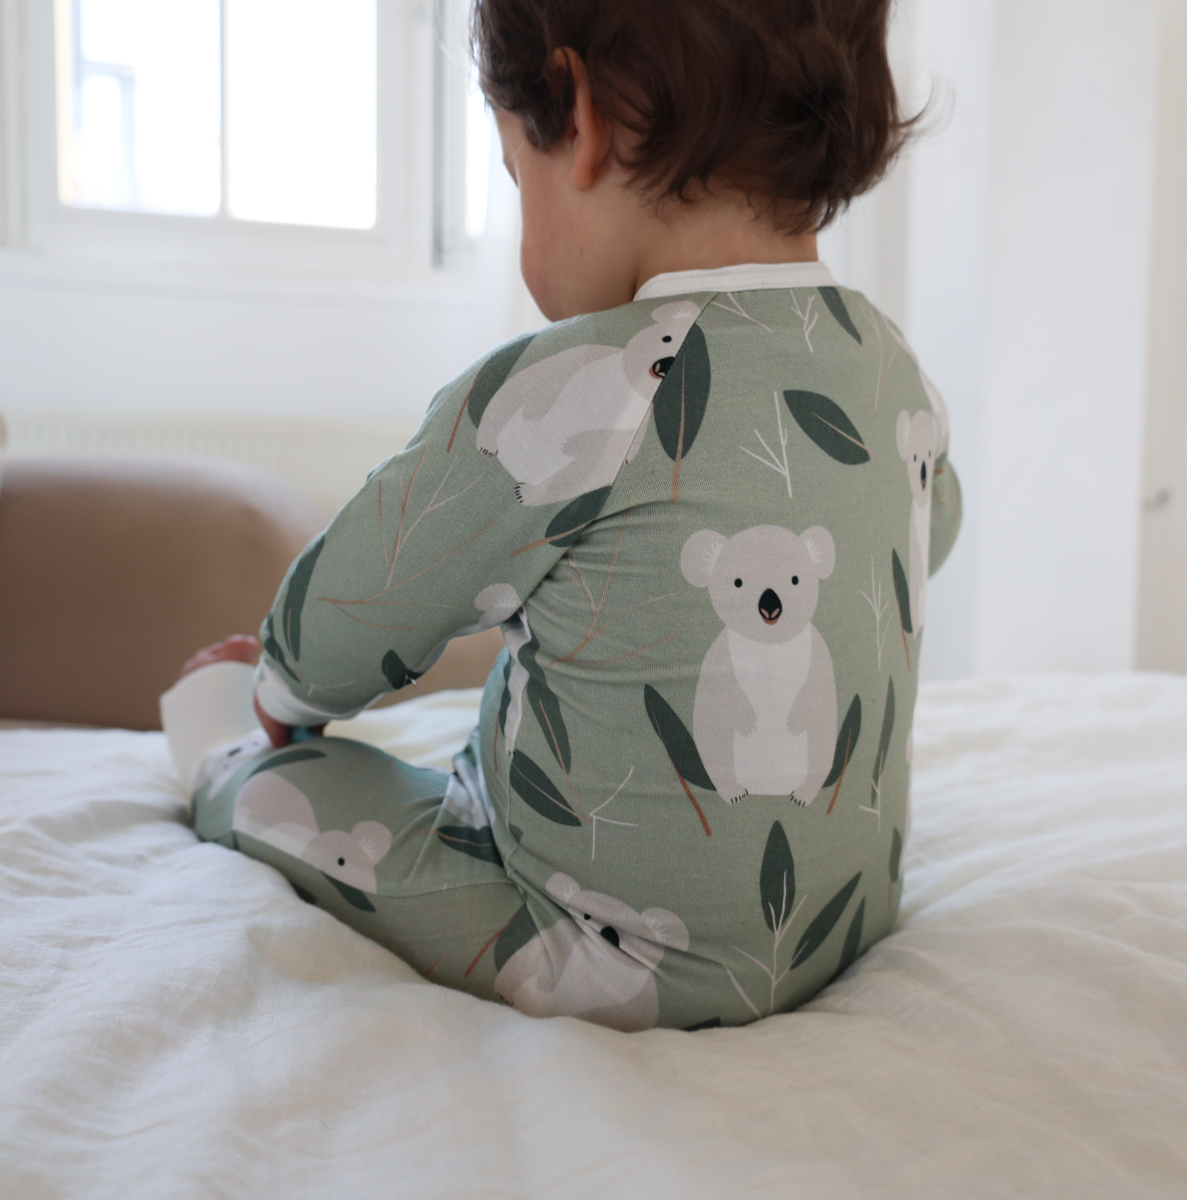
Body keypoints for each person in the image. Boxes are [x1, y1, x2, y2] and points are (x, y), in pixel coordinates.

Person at [161, 0, 961, 1031]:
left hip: (604, 954)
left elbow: (362, 601)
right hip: (842, 919)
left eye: (513, 173)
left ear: (579, 118)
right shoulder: (891, 371)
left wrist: (273, 687)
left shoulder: (569, 391)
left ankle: (216, 756)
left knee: (298, 796)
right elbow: (932, 528)